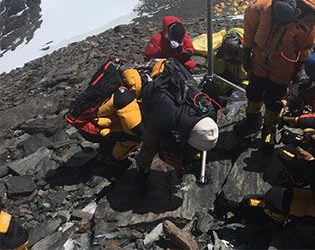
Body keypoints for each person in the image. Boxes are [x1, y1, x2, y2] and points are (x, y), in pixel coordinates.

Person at [236, 0, 315, 151]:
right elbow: (250, 26)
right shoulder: (264, 7)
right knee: (254, 89)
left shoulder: (308, 28)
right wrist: (247, 50)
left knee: (275, 97)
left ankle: (269, 130)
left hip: (283, 64)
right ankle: (253, 120)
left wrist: (299, 67)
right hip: (260, 56)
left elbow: (303, 48)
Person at [135, 58, 219, 192]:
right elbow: (159, 129)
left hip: (178, 110)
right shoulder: (166, 114)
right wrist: (172, 150)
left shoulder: (210, 110)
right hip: (152, 103)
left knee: (184, 142)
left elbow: (201, 135)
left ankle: (194, 162)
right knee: (152, 143)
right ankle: (142, 172)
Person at [74, 61, 164, 170]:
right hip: (91, 128)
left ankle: (104, 151)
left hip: (88, 120)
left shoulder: (122, 80)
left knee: (119, 121)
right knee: (135, 137)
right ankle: (115, 159)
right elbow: (135, 128)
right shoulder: (125, 98)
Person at [213, 28, 249, 96]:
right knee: (219, 86)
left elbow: (257, 72)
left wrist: (246, 83)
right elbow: (218, 72)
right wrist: (219, 58)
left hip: (246, 80)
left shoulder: (250, 50)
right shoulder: (222, 52)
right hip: (229, 79)